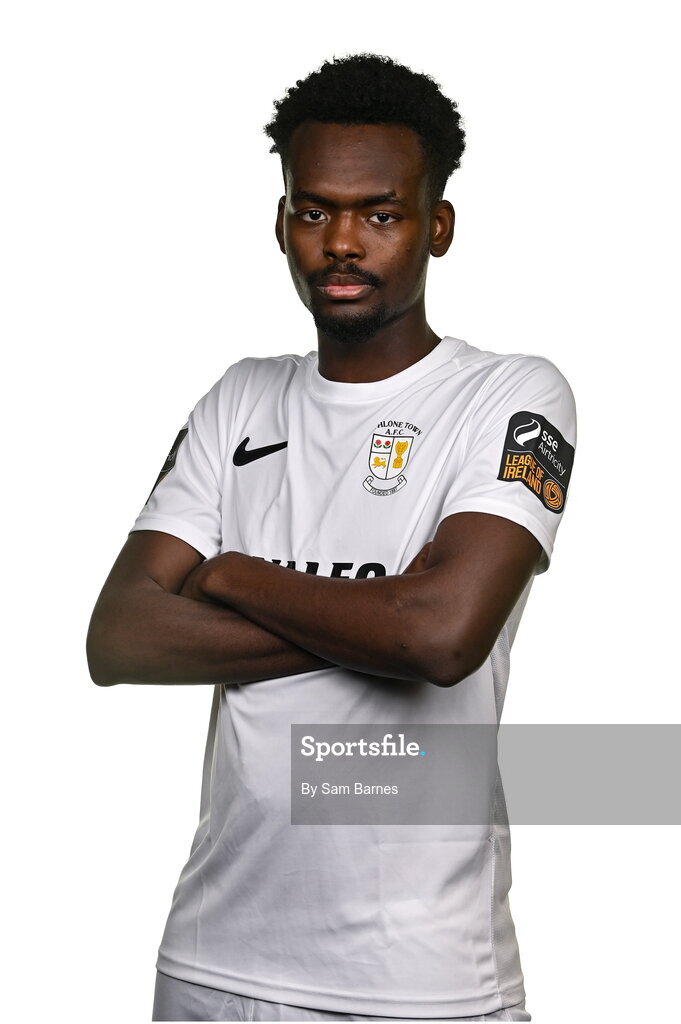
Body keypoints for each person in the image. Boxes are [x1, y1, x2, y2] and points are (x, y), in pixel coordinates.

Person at [87, 54, 576, 1023]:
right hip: (214, 962)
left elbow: (439, 638)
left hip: (422, 983)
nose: (341, 242)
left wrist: (229, 573)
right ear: (281, 224)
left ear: (436, 226)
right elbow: (120, 638)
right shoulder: (241, 399)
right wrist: (378, 616)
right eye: (313, 212)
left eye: (380, 214)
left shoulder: (512, 395)